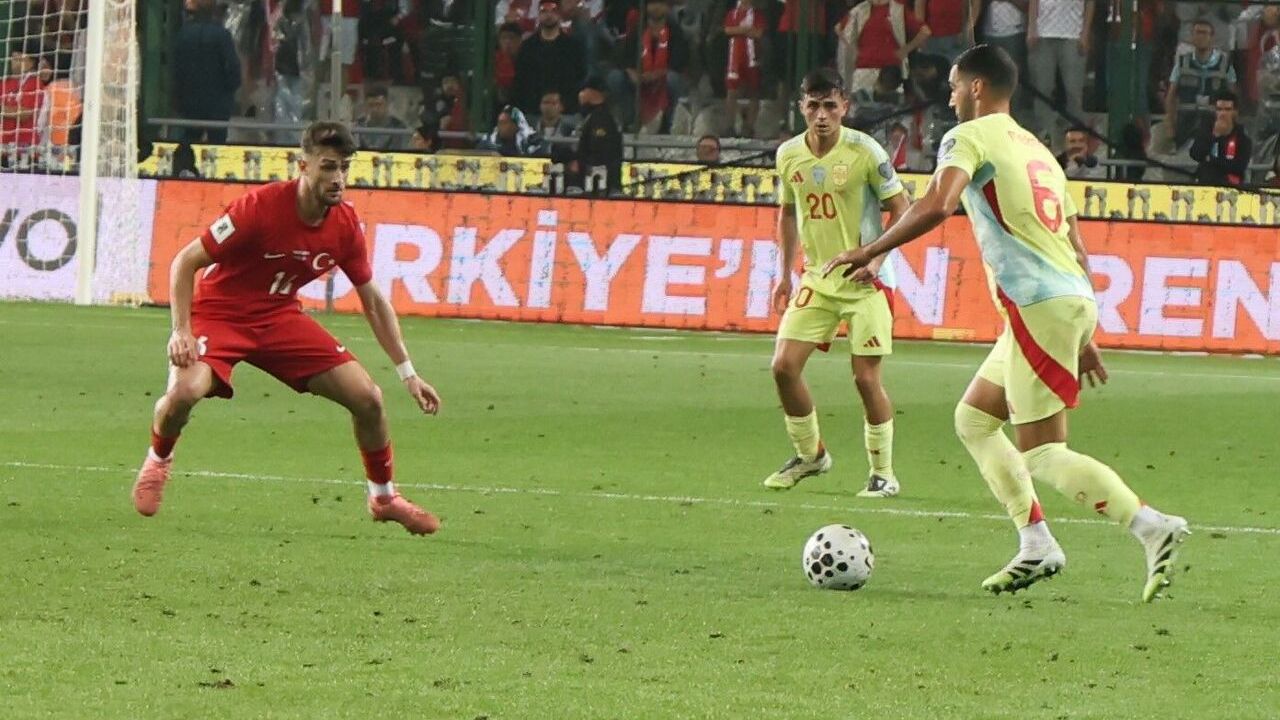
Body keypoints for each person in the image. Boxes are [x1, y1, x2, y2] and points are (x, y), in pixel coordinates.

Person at [822, 44, 1188, 601]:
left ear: (976, 87)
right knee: (973, 419)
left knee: (1042, 451)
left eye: (953, 86)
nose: (949, 96)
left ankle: (1150, 525)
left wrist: (871, 249)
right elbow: (1075, 244)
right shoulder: (1037, 148)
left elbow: (938, 203)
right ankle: (1036, 542)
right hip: (1063, 300)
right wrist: (1082, 331)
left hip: (1037, 303)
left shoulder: (967, 137)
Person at [131, 122, 443, 536]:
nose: (338, 178)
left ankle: (383, 498)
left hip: (279, 318)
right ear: (303, 166)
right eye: (328, 167)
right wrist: (181, 330)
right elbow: (184, 262)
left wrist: (408, 372)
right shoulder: (258, 208)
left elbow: (372, 300)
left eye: (344, 167)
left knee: (368, 398)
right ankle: (158, 460)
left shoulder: (345, 224)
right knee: (183, 394)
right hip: (219, 314)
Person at [763, 68, 910, 499]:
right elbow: (788, 213)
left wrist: (877, 260)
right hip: (818, 278)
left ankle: (883, 473)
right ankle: (810, 455)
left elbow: (903, 209)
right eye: (813, 106)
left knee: (865, 380)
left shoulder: (865, 151)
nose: (822, 115)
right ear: (801, 108)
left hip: (866, 283)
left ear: (845, 106)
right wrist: (784, 275)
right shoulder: (789, 154)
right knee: (783, 367)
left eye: (830, 105)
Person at [173, 0, 241, 145]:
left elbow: (177, 69)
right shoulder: (222, 35)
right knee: (217, 143)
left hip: (190, 102)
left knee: (190, 139)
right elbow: (233, 69)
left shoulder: (183, 35)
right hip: (218, 104)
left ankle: (186, 157)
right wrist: (229, 91)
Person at [1189, 91, 1251, 187]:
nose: (1222, 113)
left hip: (1231, 187)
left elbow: (1239, 166)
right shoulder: (1207, 131)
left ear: (1235, 112)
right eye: (1219, 109)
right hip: (1206, 185)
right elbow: (1195, 154)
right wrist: (1215, 136)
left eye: (1227, 110)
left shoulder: (1242, 137)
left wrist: (1211, 160)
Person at [355, 85, 408, 151]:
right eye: (371, 105)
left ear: (387, 104)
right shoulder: (358, 126)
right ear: (365, 106)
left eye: (378, 104)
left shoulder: (398, 127)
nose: (374, 109)